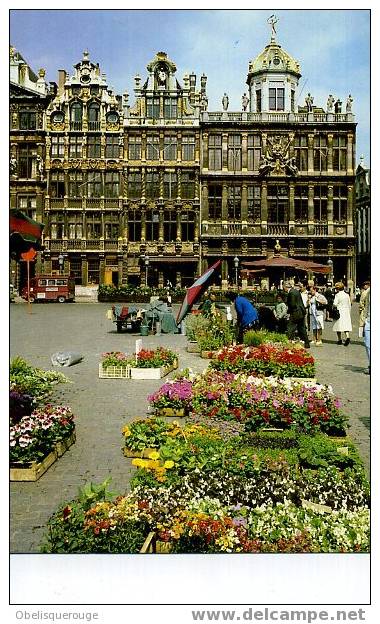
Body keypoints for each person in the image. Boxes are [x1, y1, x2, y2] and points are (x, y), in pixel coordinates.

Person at [282, 281, 310, 348]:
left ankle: (289, 342)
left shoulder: (291, 293)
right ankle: (306, 343)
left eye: (284, 287)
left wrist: (288, 312)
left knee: (290, 328)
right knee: (302, 328)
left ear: (286, 287)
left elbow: (292, 304)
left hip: (295, 313)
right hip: (301, 312)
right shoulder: (296, 291)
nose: (284, 289)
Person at [362, 283, 370, 374]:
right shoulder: (368, 292)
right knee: (367, 344)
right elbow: (366, 305)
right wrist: (364, 319)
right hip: (368, 320)